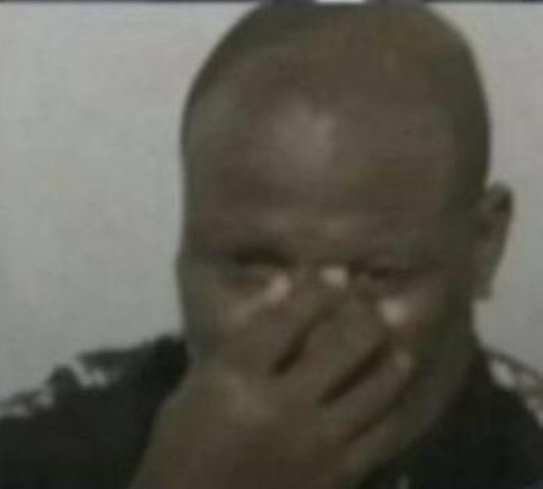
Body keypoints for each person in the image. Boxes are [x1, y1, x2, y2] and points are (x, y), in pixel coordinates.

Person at [1, 3, 543, 489]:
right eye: (251, 265)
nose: (312, 334)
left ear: (484, 246)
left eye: (378, 273)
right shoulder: (46, 449)